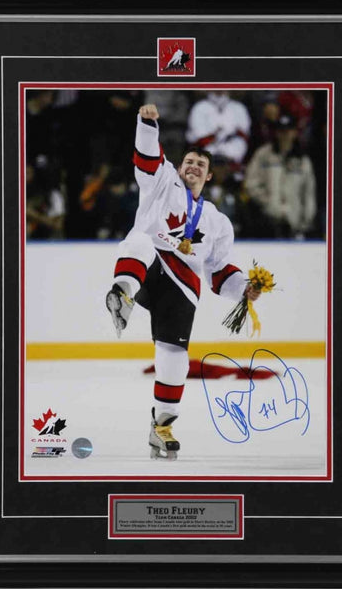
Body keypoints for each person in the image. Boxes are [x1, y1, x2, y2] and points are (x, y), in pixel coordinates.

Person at [105, 103, 261, 461]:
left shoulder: (218, 222)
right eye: (188, 161)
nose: (193, 166)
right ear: (179, 167)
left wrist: (245, 290)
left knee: (175, 356)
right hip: (149, 266)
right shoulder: (161, 181)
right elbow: (146, 157)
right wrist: (147, 123)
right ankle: (123, 295)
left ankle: (161, 426)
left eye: (201, 165)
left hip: (182, 287)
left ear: (208, 177)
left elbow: (219, 271)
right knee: (140, 240)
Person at [243, 113, 317, 238]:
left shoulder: (303, 161)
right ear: (276, 133)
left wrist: (306, 222)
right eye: (281, 131)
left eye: (288, 131)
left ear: (294, 133)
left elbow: (309, 193)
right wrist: (268, 202)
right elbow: (250, 184)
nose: (284, 135)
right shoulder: (263, 155)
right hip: (267, 221)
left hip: (295, 223)